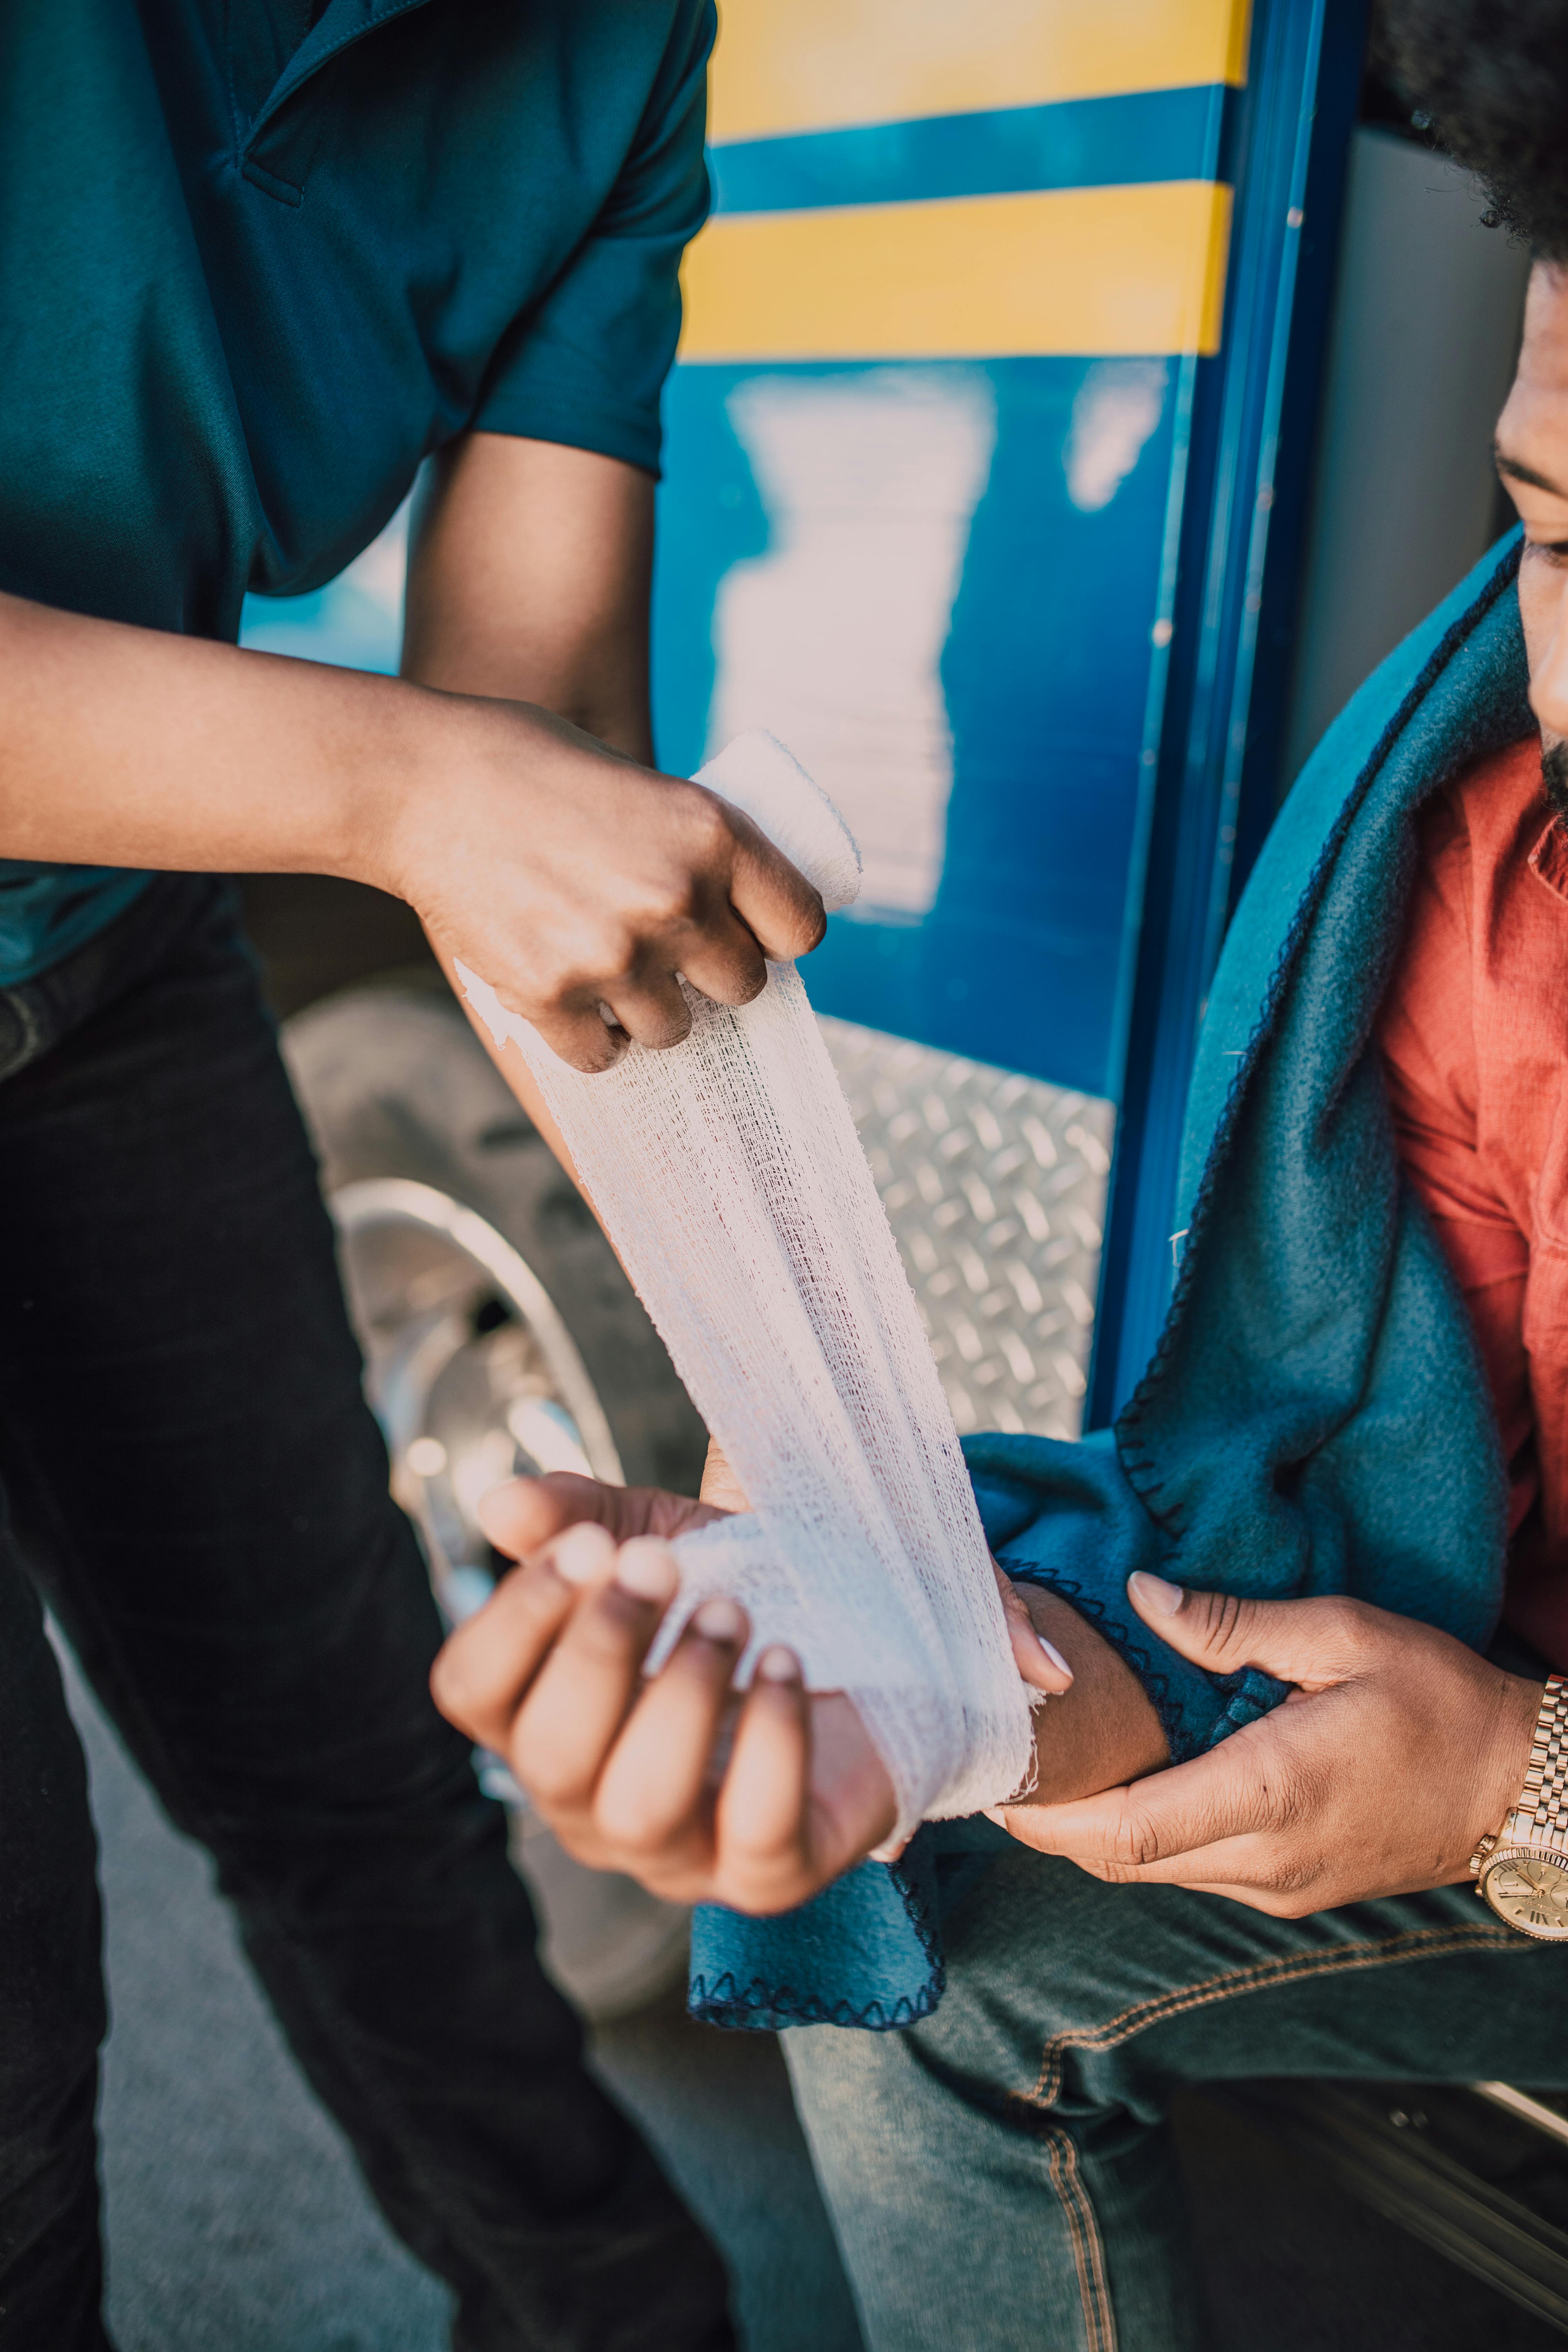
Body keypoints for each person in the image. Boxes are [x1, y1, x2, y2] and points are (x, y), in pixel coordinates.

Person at [429, 3, 1568, 2343]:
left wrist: (1519, 1796)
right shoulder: (1473, 896)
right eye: (1556, 524)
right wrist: (977, 1681)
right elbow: (1347, 1554)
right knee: (926, 1957)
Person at [0, 6, 831, 2347]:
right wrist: (398, 793)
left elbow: (540, 722)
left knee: (366, 1772)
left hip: (106, 961)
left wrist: (770, 1371)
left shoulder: (626, 48)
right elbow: (450, 788)